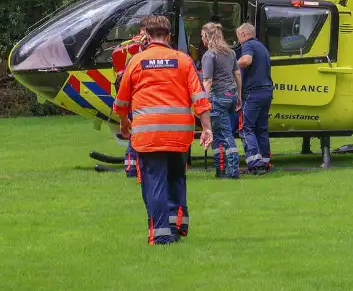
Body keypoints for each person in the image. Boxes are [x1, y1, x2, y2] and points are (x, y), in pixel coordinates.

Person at [113, 15, 212, 245]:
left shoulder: (136, 62)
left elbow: (122, 102)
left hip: (148, 134)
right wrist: (206, 128)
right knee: (176, 178)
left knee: (154, 181)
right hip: (179, 135)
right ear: (169, 36)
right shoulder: (183, 60)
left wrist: (124, 124)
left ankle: (161, 234)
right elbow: (199, 98)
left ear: (146, 36)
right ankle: (177, 225)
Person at [199, 23, 242, 179]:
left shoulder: (209, 55)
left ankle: (232, 170)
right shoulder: (230, 53)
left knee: (224, 134)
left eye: (203, 36)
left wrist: (203, 101)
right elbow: (237, 74)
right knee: (217, 132)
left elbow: (208, 81)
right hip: (231, 95)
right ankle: (219, 169)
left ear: (208, 37)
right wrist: (239, 96)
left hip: (218, 98)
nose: (202, 39)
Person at [235, 22, 273, 173]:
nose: (238, 41)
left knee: (245, 128)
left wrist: (232, 65)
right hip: (266, 92)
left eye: (238, 37)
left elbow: (246, 60)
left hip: (253, 93)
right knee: (261, 129)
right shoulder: (262, 47)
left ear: (244, 34)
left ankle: (255, 163)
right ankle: (265, 161)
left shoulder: (248, 45)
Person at [111, 29, 149, 178]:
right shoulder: (139, 61)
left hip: (135, 103)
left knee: (136, 136)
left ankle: (131, 166)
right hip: (139, 103)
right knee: (137, 137)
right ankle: (133, 166)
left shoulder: (132, 61)